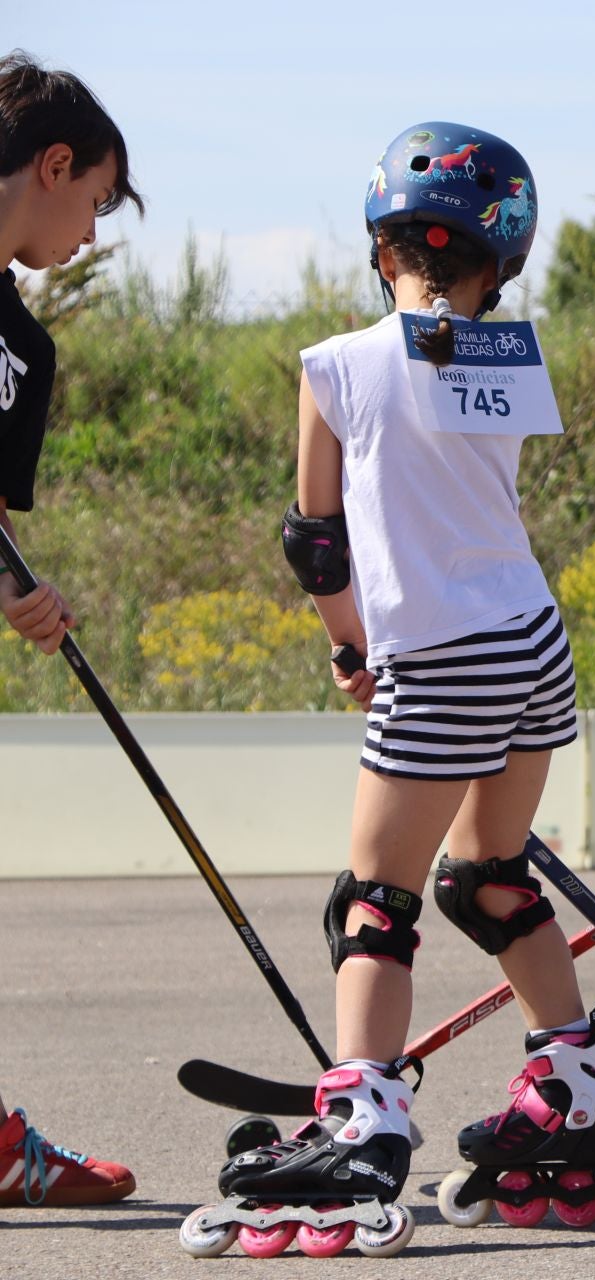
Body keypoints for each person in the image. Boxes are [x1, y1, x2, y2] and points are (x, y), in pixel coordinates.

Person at [189, 123, 595, 1258]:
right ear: (499, 264)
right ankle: (578, 1089)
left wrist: (349, 646)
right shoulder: (509, 357)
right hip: (534, 643)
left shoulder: (334, 365)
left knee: (375, 902)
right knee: (490, 879)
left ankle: (362, 1124)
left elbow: (316, 540)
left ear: (383, 255)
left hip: (442, 656)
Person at [0, 49, 142, 1209]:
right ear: (52, 166)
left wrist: (17, 594)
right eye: (93, 200)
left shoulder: (24, 346)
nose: (90, 232)